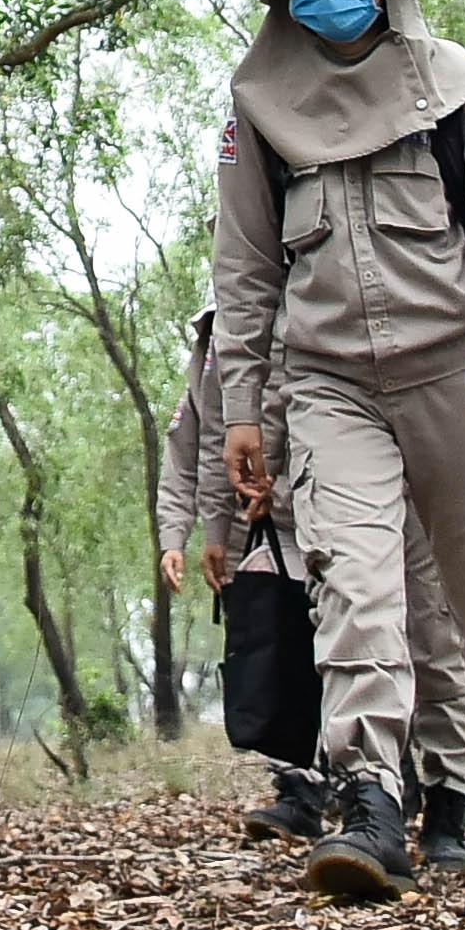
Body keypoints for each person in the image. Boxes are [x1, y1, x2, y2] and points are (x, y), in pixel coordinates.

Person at [209, 0, 465, 896]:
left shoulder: (455, 93)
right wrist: (244, 407)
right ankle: (370, 797)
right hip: (328, 383)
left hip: (457, 373)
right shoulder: (257, 116)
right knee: (354, 589)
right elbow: (244, 275)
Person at [159, 308, 322, 845]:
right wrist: (178, 536)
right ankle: (298, 788)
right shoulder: (208, 351)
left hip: (329, 508)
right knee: (275, 652)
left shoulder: (307, 308)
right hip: (251, 532)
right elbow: (192, 447)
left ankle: (381, 775)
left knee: (347, 642)